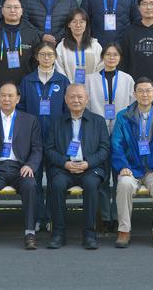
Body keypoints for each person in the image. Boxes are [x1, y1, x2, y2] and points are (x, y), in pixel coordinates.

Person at [0, 81, 43, 249]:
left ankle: (30, 233)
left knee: (30, 185)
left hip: (20, 168)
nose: (6, 99)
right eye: (3, 95)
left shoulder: (30, 120)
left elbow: (37, 148)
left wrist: (30, 165)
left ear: (18, 99)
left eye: (10, 95)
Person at [113, 79, 153, 248]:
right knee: (124, 185)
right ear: (134, 94)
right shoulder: (123, 116)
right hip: (131, 168)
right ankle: (124, 230)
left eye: (148, 90)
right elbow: (117, 145)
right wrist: (123, 166)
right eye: (140, 91)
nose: (145, 94)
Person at [47, 82, 110, 250]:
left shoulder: (98, 121)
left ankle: (89, 234)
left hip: (90, 168)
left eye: (80, 97)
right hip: (64, 168)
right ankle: (58, 233)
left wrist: (88, 163)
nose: (76, 100)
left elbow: (104, 149)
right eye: (72, 97)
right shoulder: (57, 122)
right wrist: (64, 163)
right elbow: (49, 149)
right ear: (66, 99)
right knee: (57, 184)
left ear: (87, 99)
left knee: (91, 184)